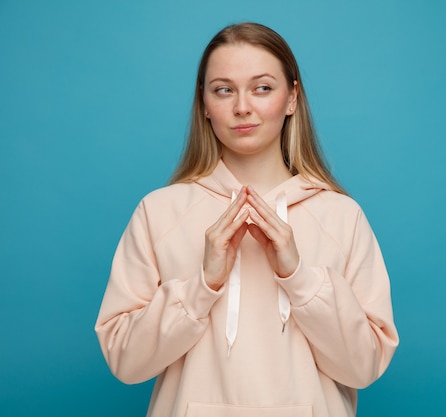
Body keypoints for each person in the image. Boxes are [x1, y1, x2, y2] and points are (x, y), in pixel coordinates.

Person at [95, 22, 399, 417]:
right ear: (204, 103)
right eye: (223, 89)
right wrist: (202, 285)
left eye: (262, 88)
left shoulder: (341, 216)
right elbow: (125, 361)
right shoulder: (158, 212)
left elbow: (364, 367)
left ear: (292, 98)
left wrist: (300, 279)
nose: (242, 106)